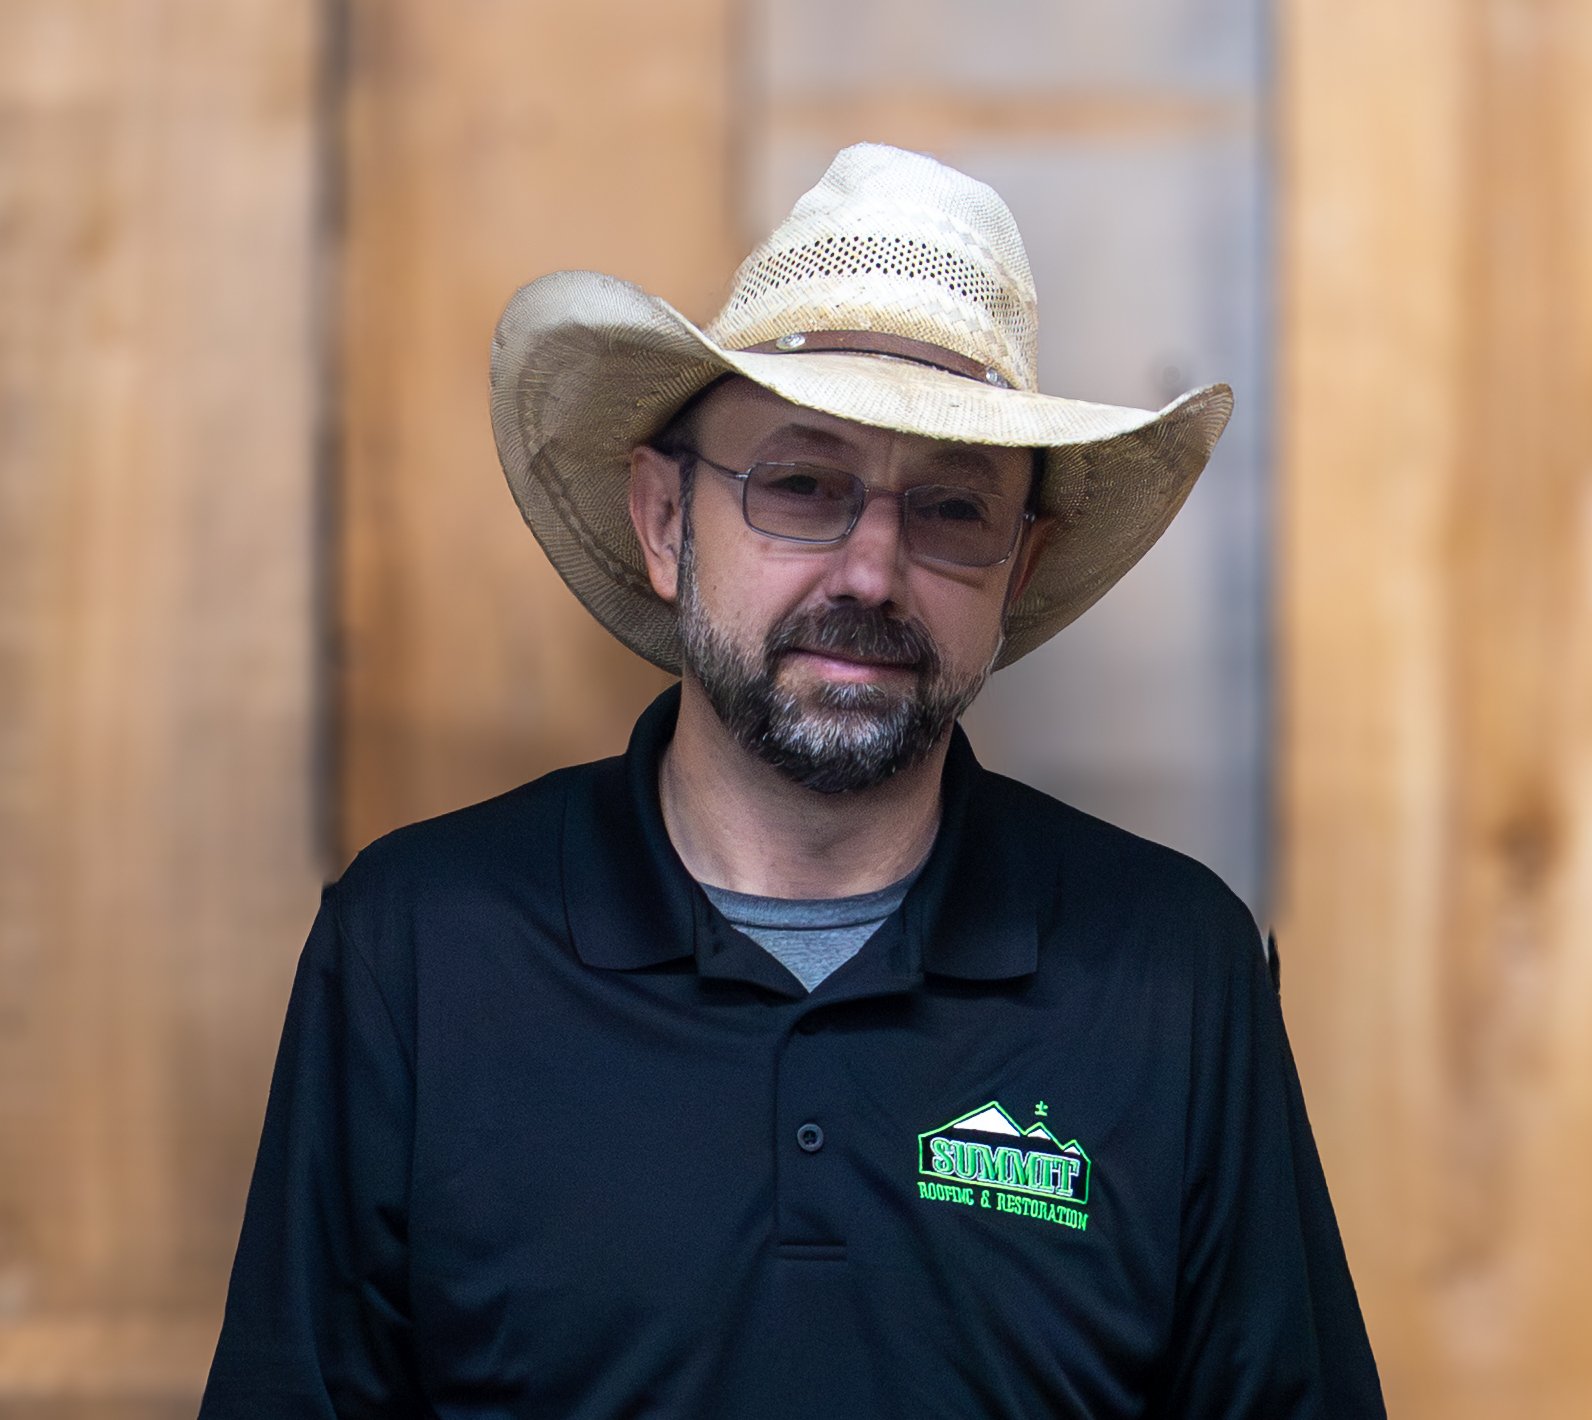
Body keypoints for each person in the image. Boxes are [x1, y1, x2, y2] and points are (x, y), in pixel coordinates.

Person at [199, 143, 1384, 1417]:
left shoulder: (1170, 969)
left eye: (951, 509)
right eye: (803, 485)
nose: (871, 572)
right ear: (665, 523)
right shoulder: (421, 947)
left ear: (1018, 571)